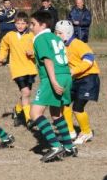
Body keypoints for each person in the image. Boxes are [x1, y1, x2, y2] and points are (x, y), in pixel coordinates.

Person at [29, 11, 76, 162]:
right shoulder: (56, 37)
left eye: (33, 24)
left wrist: (53, 81)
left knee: (35, 113)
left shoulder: (40, 38)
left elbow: (48, 60)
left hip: (53, 77)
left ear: (43, 25)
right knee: (56, 113)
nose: (31, 27)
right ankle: (69, 146)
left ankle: (56, 146)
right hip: (66, 75)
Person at [54, 20, 100, 145]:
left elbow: (89, 59)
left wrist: (74, 70)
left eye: (59, 33)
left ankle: (86, 132)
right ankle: (70, 132)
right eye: (56, 33)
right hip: (75, 79)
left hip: (88, 79)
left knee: (78, 108)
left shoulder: (78, 44)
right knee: (65, 104)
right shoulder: (62, 46)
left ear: (68, 33)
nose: (57, 36)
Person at [0, 11, 37, 127]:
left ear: (27, 24)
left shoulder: (32, 35)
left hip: (31, 69)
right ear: (15, 23)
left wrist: (33, 53)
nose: (20, 26)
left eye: (23, 23)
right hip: (17, 69)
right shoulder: (9, 35)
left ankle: (17, 110)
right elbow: (3, 46)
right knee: (26, 92)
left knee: (26, 94)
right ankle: (29, 119)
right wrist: (1, 57)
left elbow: (38, 49)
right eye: (18, 23)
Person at [0, 0, 17, 66]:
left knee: (11, 46)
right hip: (3, 31)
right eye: (6, 3)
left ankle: (9, 62)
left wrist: (3, 17)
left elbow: (10, 16)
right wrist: (5, 17)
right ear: (4, 4)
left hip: (11, 30)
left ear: (10, 3)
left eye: (8, 3)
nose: (7, 4)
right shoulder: (0, 10)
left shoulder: (13, 10)